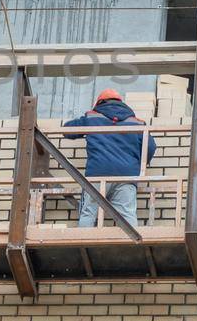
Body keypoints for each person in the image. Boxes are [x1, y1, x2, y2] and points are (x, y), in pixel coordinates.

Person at [61, 88, 156, 228]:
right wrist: (141, 163)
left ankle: (83, 243)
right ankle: (132, 246)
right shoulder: (137, 123)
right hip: (127, 175)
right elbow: (151, 147)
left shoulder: (92, 117)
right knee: (128, 215)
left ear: (99, 103)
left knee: (88, 213)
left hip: (98, 173)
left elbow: (67, 130)